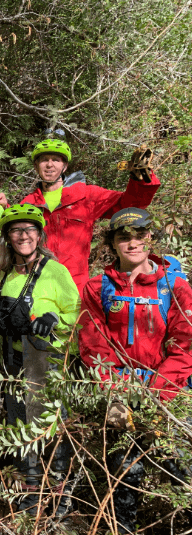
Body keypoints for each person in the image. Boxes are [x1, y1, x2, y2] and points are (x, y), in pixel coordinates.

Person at [79, 208, 192, 533]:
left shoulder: (175, 287)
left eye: (139, 234)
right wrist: (117, 394)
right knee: (126, 474)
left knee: (180, 468)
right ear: (112, 243)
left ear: (150, 237)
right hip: (120, 396)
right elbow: (93, 344)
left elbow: (185, 345)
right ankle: (123, 528)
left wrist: (159, 396)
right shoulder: (98, 287)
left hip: (169, 396)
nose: (132, 242)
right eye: (123, 236)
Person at [0, 204, 79, 515]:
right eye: (16, 230)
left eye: (29, 230)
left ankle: (60, 497)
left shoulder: (55, 271)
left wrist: (56, 318)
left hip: (44, 362)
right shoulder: (6, 274)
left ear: (40, 235)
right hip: (12, 362)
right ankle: (30, 494)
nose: (23, 235)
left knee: (51, 430)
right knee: (20, 428)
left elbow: (77, 314)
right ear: (7, 237)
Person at [20, 138, 159, 293]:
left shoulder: (86, 196)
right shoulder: (27, 205)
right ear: (35, 166)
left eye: (56, 160)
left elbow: (130, 205)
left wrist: (140, 180)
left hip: (75, 285)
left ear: (65, 166)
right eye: (44, 160)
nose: (50, 164)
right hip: (36, 284)